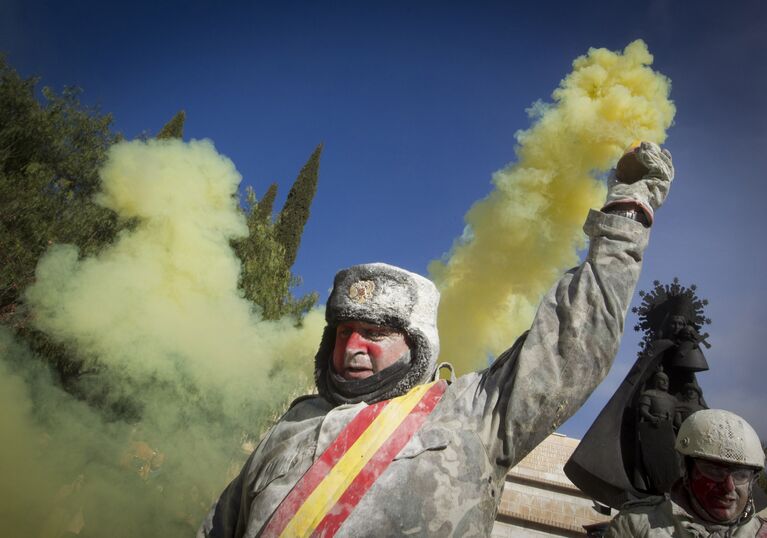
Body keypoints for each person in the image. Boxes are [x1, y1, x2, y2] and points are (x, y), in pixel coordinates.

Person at [198, 142, 674, 537]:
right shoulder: (295, 424)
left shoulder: (473, 413)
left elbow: (573, 341)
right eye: (343, 331)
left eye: (377, 332)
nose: (352, 347)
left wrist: (627, 213)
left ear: (416, 344)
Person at [606, 409, 767, 537]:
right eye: (715, 470)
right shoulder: (636, 525)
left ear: (753, 481)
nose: (728, 487)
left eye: (741, 475)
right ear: (686, 468)